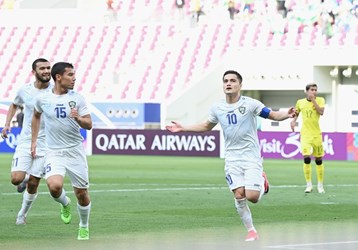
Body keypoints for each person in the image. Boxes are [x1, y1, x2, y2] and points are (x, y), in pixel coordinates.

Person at [166, 70, 296, 241]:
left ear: (240, 85)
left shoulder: (250, 104)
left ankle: (262, 183)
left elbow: (273, 115)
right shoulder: (217, 108)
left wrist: (287, 114)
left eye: (233, 80)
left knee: (253, 197)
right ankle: (251, 231)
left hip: (251, 157)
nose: (228, 83)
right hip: (232, 159)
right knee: (239, 195)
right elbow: (207, 126)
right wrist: (184, 128)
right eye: (226, 81)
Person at [31, 62, 92, 240]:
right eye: (70, 75)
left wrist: (79, 119)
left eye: (74, 75)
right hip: (53, 152)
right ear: (58, 77)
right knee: (54, 187)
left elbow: (89, 124)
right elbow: (36, 115)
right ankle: (65, 203)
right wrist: (34, 141)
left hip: (74, 151)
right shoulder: (42, 99)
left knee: (82, 194)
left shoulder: (78, 98)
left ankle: (83, 225)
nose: (74, 78)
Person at [1, 58, 52, 225]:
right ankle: (25, 177)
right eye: (42, 68)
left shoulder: (57, 91)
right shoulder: (25, 90)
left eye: (48, 68)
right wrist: (7, 124)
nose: (46, 71)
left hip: (47, 143)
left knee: (33, 183)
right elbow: (14, 105)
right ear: (34, 72)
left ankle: (22, 214)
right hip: (25, 139)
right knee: (16, 179)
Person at [290, 83, 325, 194]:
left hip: (317, 135)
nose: (314, 92)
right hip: (305, 134)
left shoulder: (320, 100)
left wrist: (313, 100)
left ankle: (320, 185)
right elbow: (296, 113)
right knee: (306, 158)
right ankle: (308, 185)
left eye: (315, 90)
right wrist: (293, 121)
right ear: (306, 91)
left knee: (318, 160)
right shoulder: (300, 102)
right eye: (312, 90)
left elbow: (321, 112)